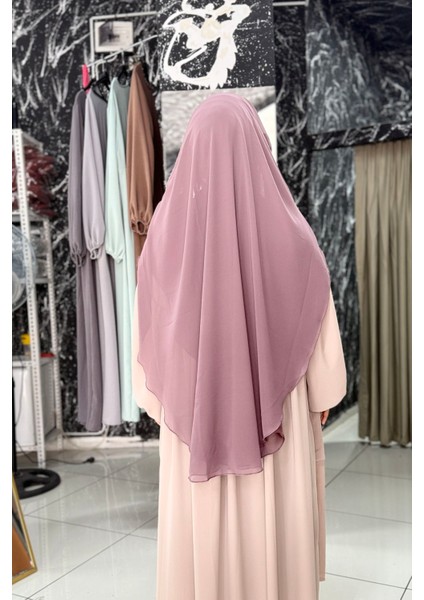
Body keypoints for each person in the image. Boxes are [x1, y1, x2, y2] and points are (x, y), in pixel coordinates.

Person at [132, 93, 347, 600]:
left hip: (196, 411)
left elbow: (151, 352)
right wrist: (321, 393)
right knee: (276, 517)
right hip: (278, 413)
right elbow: (317, 332)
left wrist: (181, 398)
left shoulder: (162, 242)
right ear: (259, 147)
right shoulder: (298, 240)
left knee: (201, 523)